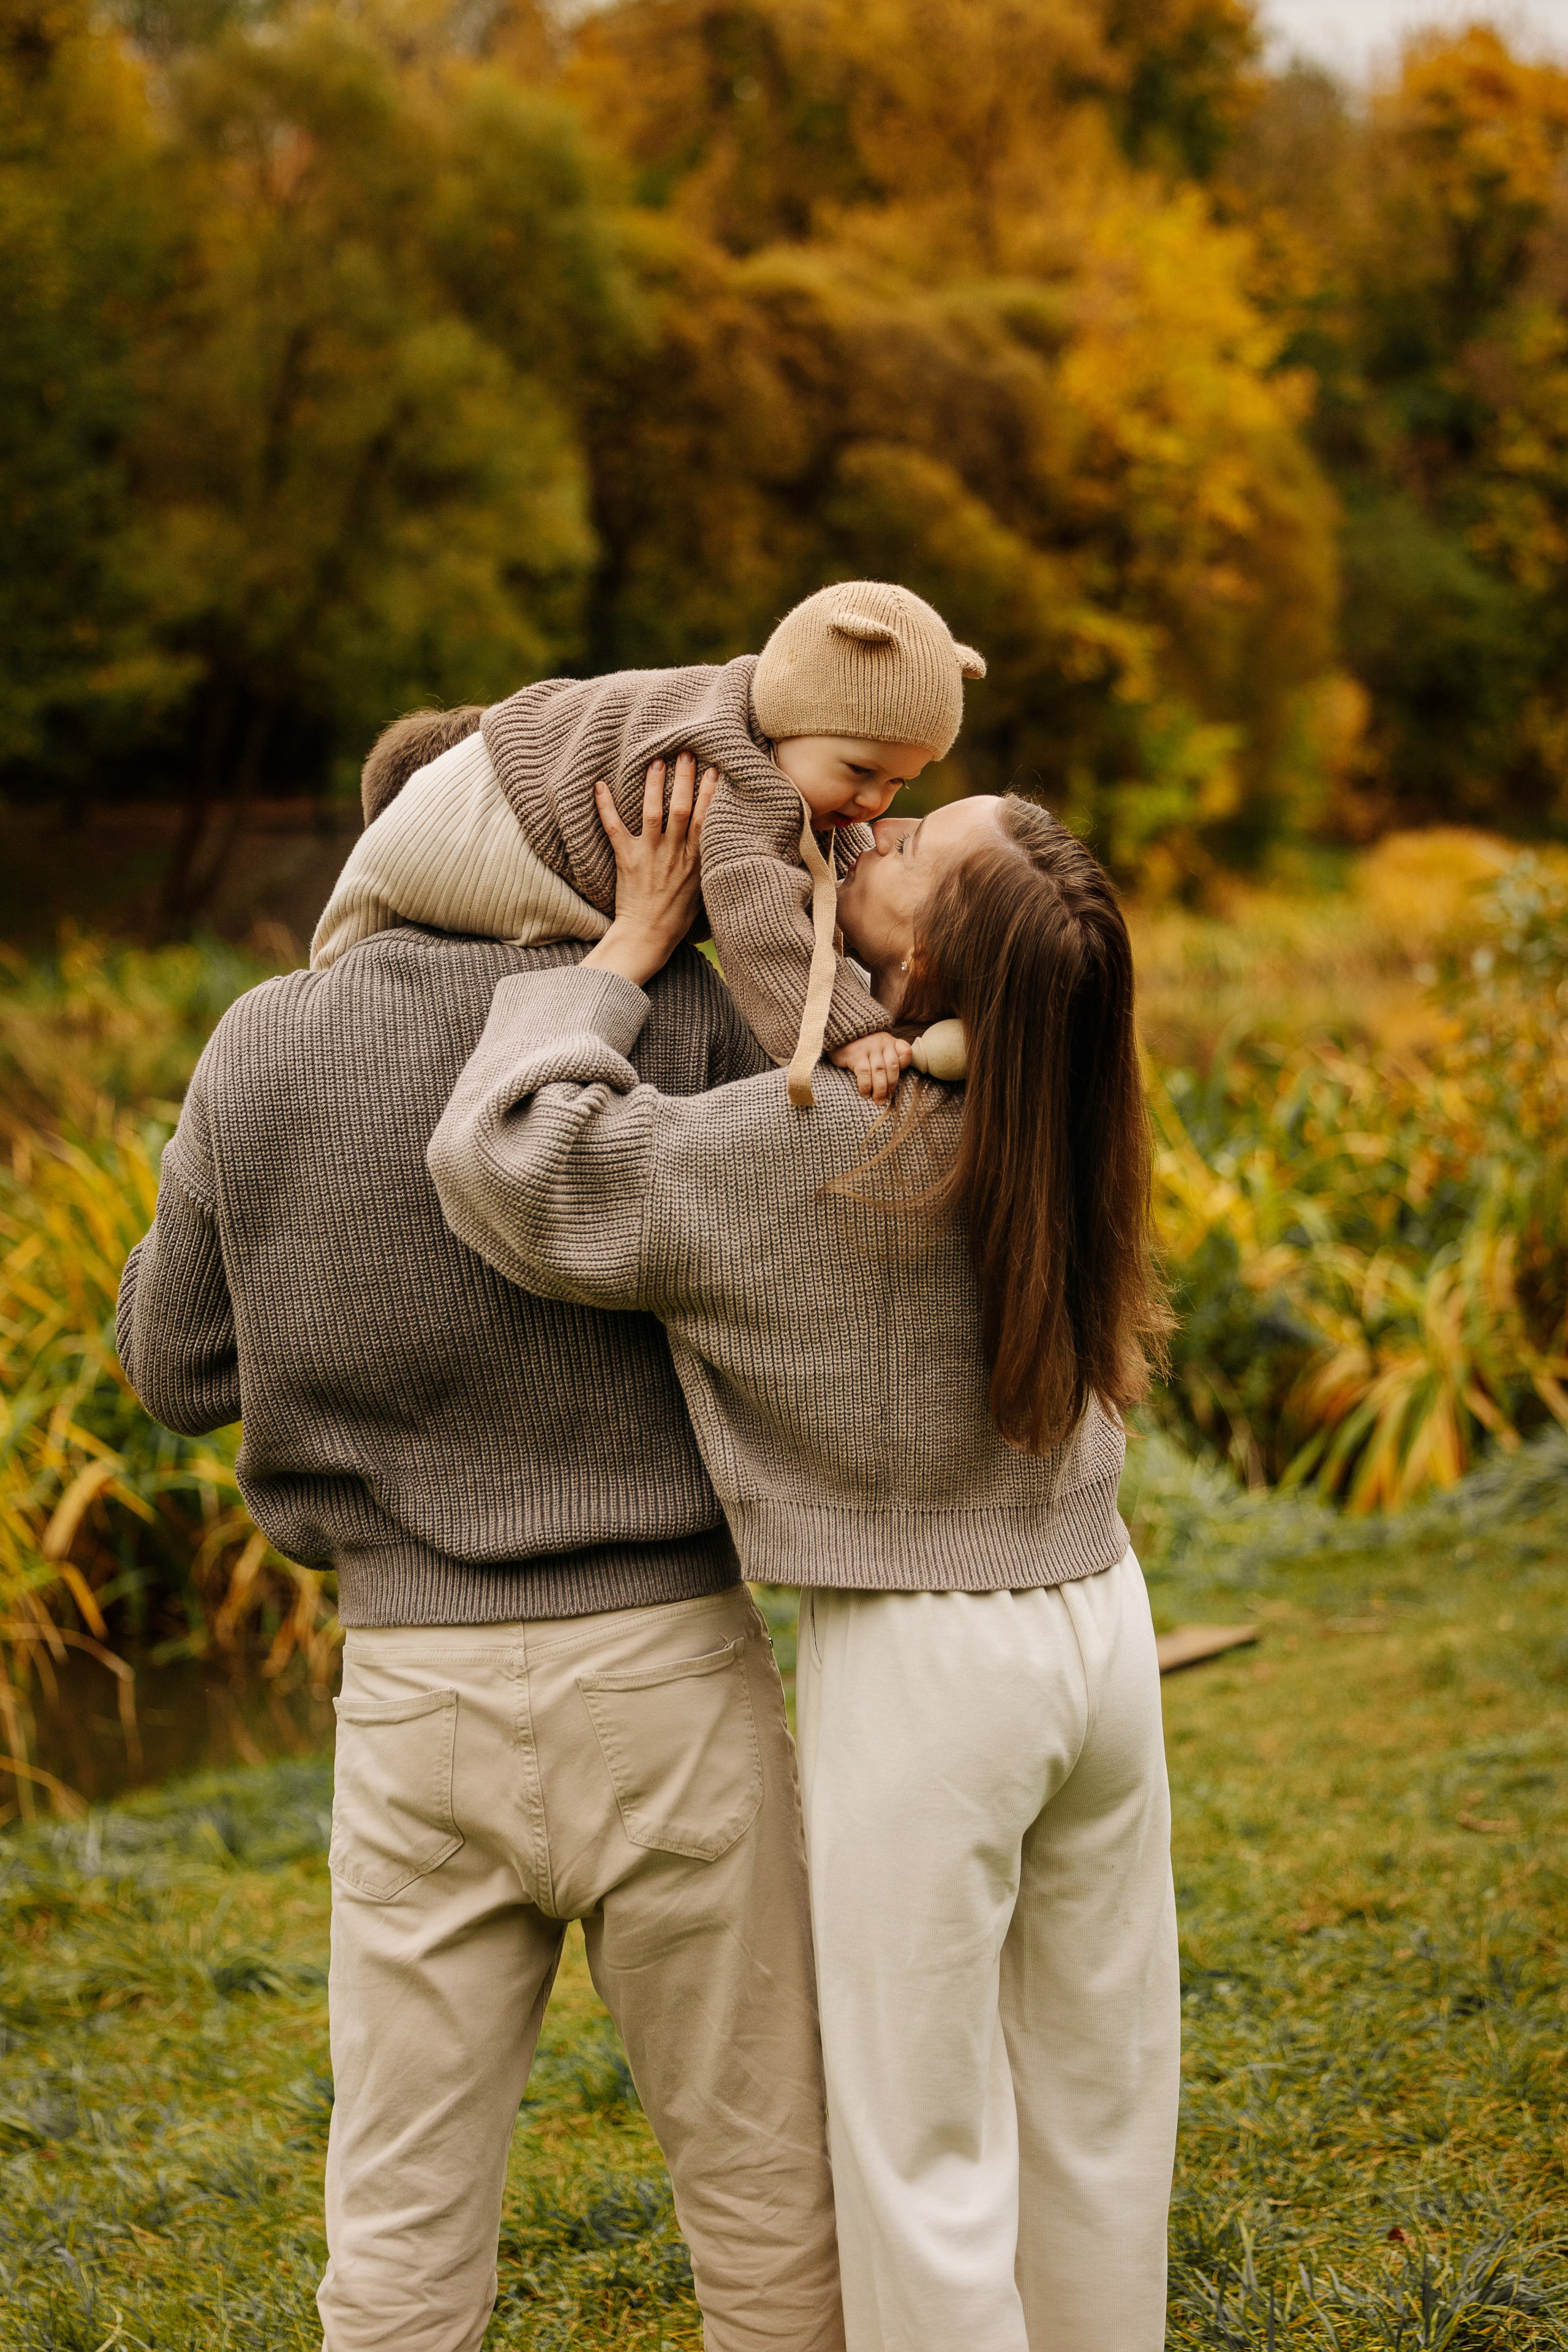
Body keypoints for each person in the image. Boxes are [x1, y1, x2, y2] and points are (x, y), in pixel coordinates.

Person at [427, 758, 1182, 2352]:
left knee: (919, 2146)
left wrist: (622, 958)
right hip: (1098, 1626)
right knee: (1099, 2100)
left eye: (912, 851)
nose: (878, 832)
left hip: (931, 1664)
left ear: (935, 964)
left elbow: (511, 1162)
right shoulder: (1059, 1105)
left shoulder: (826, 1142)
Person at [114, 755, 847, 2352]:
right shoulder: (677, 1014)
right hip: (669, 1673)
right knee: (767, 2189)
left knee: (399, 2215)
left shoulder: (261, 1038)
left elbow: (170, 1366)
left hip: (412, 1694)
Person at [309, 578, 986, 1104]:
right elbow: (762, 924)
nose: (874, 806)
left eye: (898, 783)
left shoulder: (793, 748)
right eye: (860, 772)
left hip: (486, 769)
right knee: (363, 948)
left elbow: (826, 878)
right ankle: (329, 998)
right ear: (791, 719)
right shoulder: (742, 773)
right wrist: (845, 1034)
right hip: (497, 821)